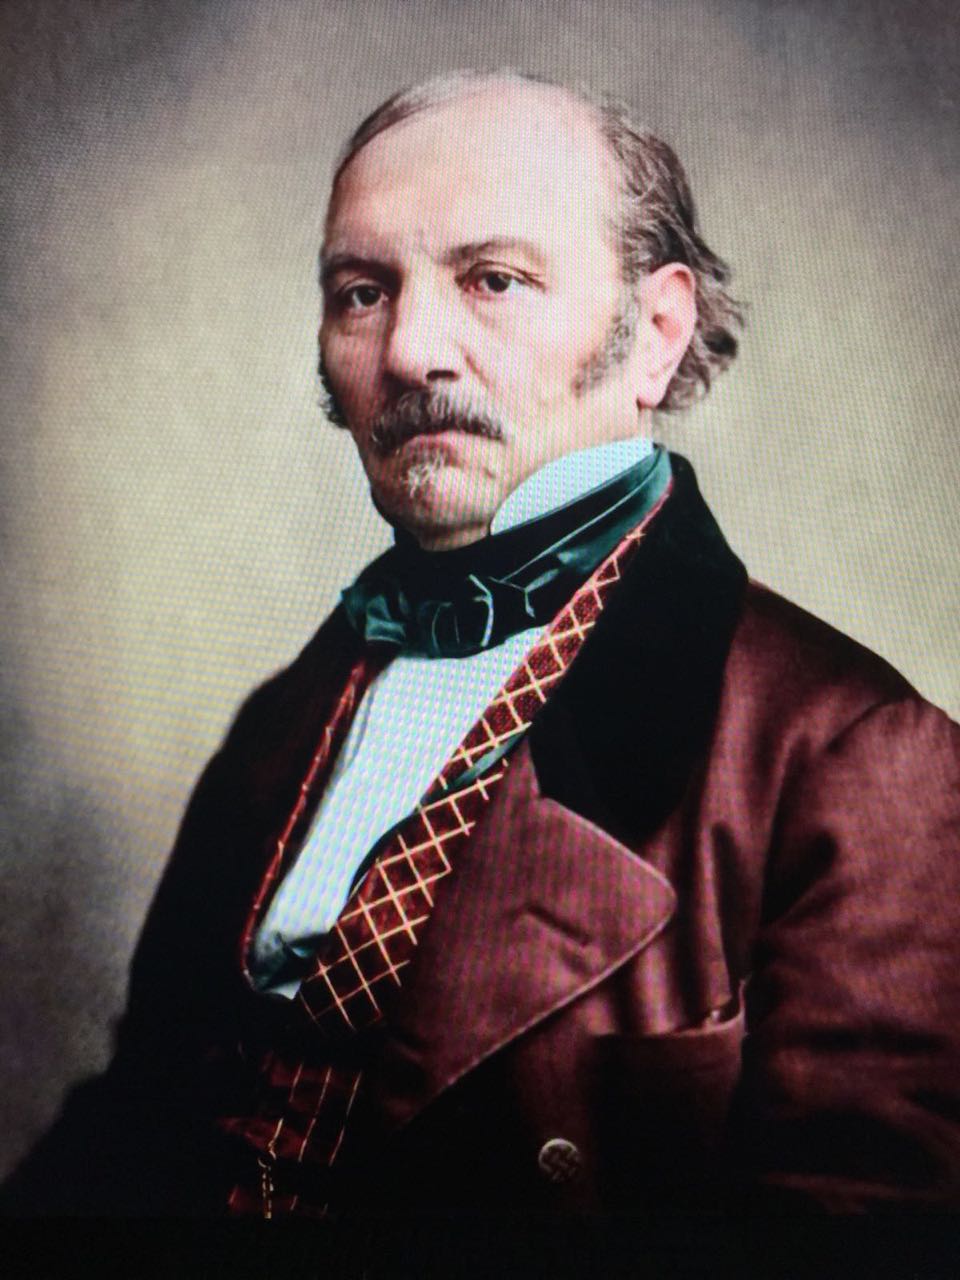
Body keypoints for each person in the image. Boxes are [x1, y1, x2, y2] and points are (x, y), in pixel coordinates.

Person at [5, 68, 960, 1245]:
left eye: (492, 280)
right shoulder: (288, 717)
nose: (410, 350)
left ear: (655, 334)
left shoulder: (858, 756)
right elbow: (134, 1129)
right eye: (362, 292)